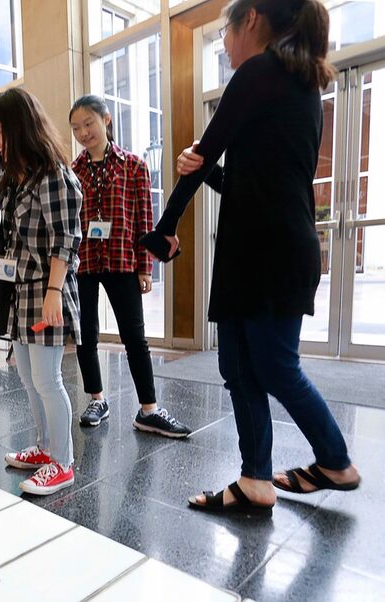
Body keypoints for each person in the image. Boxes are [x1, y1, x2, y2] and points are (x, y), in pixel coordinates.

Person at [143, 0, 361, 513]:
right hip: (263, 247)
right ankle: (255, 478)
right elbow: (242, 180)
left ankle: (335, 460)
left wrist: (165, 229)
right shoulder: (293, 82)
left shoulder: (261, 71)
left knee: (274, 365)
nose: (223, 42)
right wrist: (197, 168)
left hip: (269, 251)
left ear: (253, 20)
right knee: (239, 366)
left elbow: (202, 159)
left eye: (226, 29)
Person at [0, 88, 82, 496]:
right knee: (30, 378)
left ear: (19, 128)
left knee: (48, 379)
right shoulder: (17, 179)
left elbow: (67, 240)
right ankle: (46, 448)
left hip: (46, 289)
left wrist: (53, 292)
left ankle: (62, 462)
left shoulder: (54, 177)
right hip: (20, 292)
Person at [68, 95, 193, 437]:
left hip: (122, 258)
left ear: (106, 120)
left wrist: (144, 269)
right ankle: (97, 399)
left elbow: (143, 220)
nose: (83, 133)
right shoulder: (73, 171)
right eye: (77, 128)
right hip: (84, 262)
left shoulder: (134, 165)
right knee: (86, 336)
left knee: (134, 337)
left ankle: (148, 409)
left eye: (88, 124)